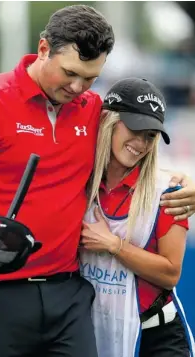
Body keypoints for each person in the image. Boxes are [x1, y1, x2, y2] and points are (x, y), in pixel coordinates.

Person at [0, 4, 195, 357]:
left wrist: (188, 182)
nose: (78, 86)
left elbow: (137, 150)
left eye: (91, 78)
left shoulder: (93, 109)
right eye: (70, 73)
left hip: (65, 297)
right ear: (44, 48)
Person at [80, 77, 195, 357]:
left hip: (157, 339)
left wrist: (114, 246)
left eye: (150, 135)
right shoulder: (80, 178)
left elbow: (170, 273)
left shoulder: (167, 192)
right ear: (109, 120)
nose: (141, 143)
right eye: (135, 128)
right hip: (92, 332)